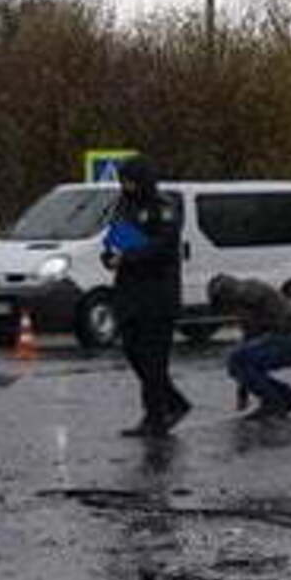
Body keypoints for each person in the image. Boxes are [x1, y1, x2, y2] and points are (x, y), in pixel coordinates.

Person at [105, 157, 191, 437]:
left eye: (130, 180)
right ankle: (174, 402)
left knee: (154, 360)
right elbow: (116, 238)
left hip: (157, 294)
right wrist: (110, 255)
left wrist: (129, 256)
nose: (126, 186)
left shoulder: (163, 206)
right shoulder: (124, 205)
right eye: (123, 181)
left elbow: (163, 247)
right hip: (130, 293)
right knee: (133, 351)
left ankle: (155, 416)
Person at [208, 274, 291, 420]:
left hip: (290, 341)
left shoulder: (248, 296)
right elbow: (248, 344)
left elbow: (274, 326)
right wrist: (242, 391)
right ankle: (286, 396)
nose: (225, 310)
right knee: (239, 360)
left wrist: (243, 391)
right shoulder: (246, 296)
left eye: (222, 304)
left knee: (236, 358)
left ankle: (274, 402)